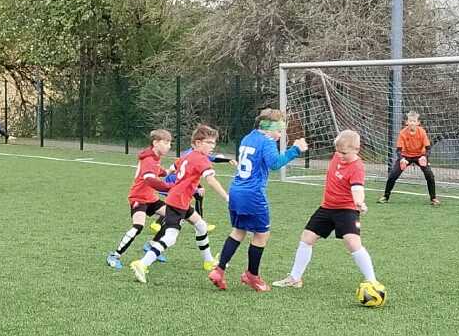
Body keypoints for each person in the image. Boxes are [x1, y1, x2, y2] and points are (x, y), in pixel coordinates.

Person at [209, 109, 307, 291]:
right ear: (269, 129)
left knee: (238, 231)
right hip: (252, 194)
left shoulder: (248, 137)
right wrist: (295, 150)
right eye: (279, 131)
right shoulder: (267, 141)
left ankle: (219, 270)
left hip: (236, 190)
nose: (280, 135)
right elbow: (275, 163)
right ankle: (252, 275)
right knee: (262, 234)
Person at [273, 129, 379, 290]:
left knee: (353, 243)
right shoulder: (338, 154)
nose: (340, 155)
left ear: (356, 149)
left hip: (346, 210)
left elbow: (357, 188)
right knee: (307, 238)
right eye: (337, 151)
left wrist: (360, 203)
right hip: (327, 207)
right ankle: (294, 278)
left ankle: (372, 282)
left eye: (344, 153)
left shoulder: (357, 167)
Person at [130, 125, 229, 283]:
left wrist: (170, 175)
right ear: (197, 143)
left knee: (201, 226)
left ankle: (208, 261)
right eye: (209, 142)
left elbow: (175, 166)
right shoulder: (200, 159)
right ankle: (142, 263)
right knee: (170, 238)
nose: (213, 146)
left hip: (180, 199)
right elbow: (210, 180)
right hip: (178, 202)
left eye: (214, 143)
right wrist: (227, 198)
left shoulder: (188, 155)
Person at [107, 128, 173, 270]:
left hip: (151, 198)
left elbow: (159, 171)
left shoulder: (154, 157)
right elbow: (150, 179)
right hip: (139, 198)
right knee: (138, 226)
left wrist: (171, 169)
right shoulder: (149, 159)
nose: (169, 146)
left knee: (174, 217)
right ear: (155, 143)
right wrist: (170, 188)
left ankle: (152, 245)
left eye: (170, 143)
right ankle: (114, 255)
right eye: (166, 142)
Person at [379, 111, 439, 205]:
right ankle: (385, 197)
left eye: (414, 121)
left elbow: (428, 148)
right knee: (393, 175)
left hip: (419, 156)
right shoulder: (403, 133)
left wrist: (424, 157)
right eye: (410, 121)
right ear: (407, 122)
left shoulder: (422, 132)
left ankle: (433, 198)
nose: (412, 123)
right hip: (406, 156)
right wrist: (402, 159)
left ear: (418, 123)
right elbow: (398, 150)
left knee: (429, 175)